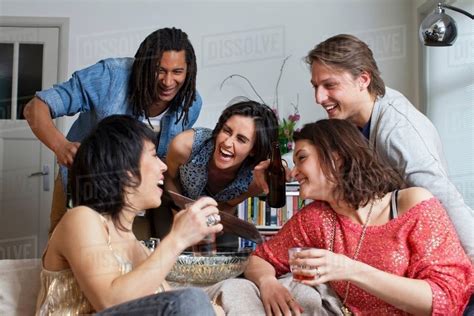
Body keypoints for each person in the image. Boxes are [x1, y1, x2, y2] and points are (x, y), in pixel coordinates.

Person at [255, 34, 473, 262]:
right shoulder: (349, 118)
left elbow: (444, 198)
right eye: (316, 86)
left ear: (363, 80)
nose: (319, 98)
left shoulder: (399, 130)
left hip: (424, 249)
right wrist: (281, 164)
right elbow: (319, 152)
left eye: (330, 85)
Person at [244, 119, 472, 315]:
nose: (293, 172)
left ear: (337, 158)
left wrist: (350, 269)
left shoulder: (411, 204)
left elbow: (445, 301)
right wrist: (268, 283)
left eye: (302, 158)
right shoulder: (315, 219)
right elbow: (260, 259)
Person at [36, 115, 223, 315]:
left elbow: (165, 301)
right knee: (192, 299)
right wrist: (178, 238)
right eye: (153, 155)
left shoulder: (137, 247)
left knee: (205, 302)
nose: (164, 167)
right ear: (125, 169)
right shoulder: (81, 219)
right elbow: (111, 302)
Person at [23, 27, 202, 235]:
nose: (168, 81)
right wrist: (61, 146)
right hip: (86, 189)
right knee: (68, 253)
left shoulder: (190, 105)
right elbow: (34, 108)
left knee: (135, 260)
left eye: (177, 72)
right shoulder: (110, 76)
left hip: (138, 201)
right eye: (159, 70)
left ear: (188, 70)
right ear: (144, 65)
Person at [157, 99, 278, 240]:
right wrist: (181, 213)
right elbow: (170, 177)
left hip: (218, 213)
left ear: (254, 150)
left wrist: (212, 225)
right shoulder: (184, 145)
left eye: (241, 139)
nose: (227, 143)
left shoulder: (254, 180)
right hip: (170, 203)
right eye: (226, 131)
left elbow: (228, 204)